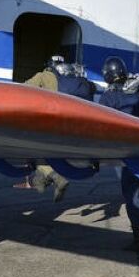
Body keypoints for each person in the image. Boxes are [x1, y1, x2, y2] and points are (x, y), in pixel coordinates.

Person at [98, 56, 139, 251]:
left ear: (108, 75)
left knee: (131, 191)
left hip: (124, 151)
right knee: (136, 186)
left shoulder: (110, 96)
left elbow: (101, 122)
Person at [23, 56, 97, 201]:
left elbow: (24, 88)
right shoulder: (74, 80)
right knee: (52, 155)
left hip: (52, 125)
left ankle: (55, 178)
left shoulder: (45, 75)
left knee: (34, 150)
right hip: (74, 130)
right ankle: (42, 182)